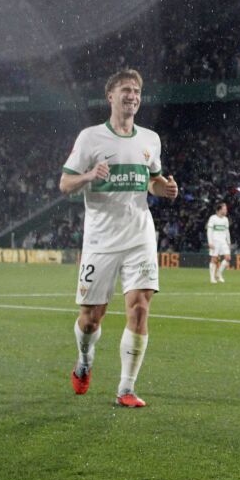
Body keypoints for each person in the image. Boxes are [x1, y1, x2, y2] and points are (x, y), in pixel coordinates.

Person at [60, 69, 178, 408]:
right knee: (90, 318)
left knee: (140, 308)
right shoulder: (91, 138)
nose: (133, 96)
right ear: (110, 96)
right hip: (101, 240)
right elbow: (65, 184)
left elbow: (153, 180)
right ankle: (85, 361)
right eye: (126, 89)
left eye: (137, 91)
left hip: (140, 236)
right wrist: (89, 175)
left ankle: (126, 388)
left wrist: (163, 188)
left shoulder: (150, 139)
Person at [207, 202, 232, 284]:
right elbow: (209, 231)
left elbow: (227, 231)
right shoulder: (213, 218)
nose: (226, 211)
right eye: (225, 209)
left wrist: (229, 242)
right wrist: (210, 242)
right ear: (219, 210)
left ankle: (218, 273)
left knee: (228, 258)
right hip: (215, 241)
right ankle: (212, 278)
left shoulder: (225, 219)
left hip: (223, 241)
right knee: (214, 259)